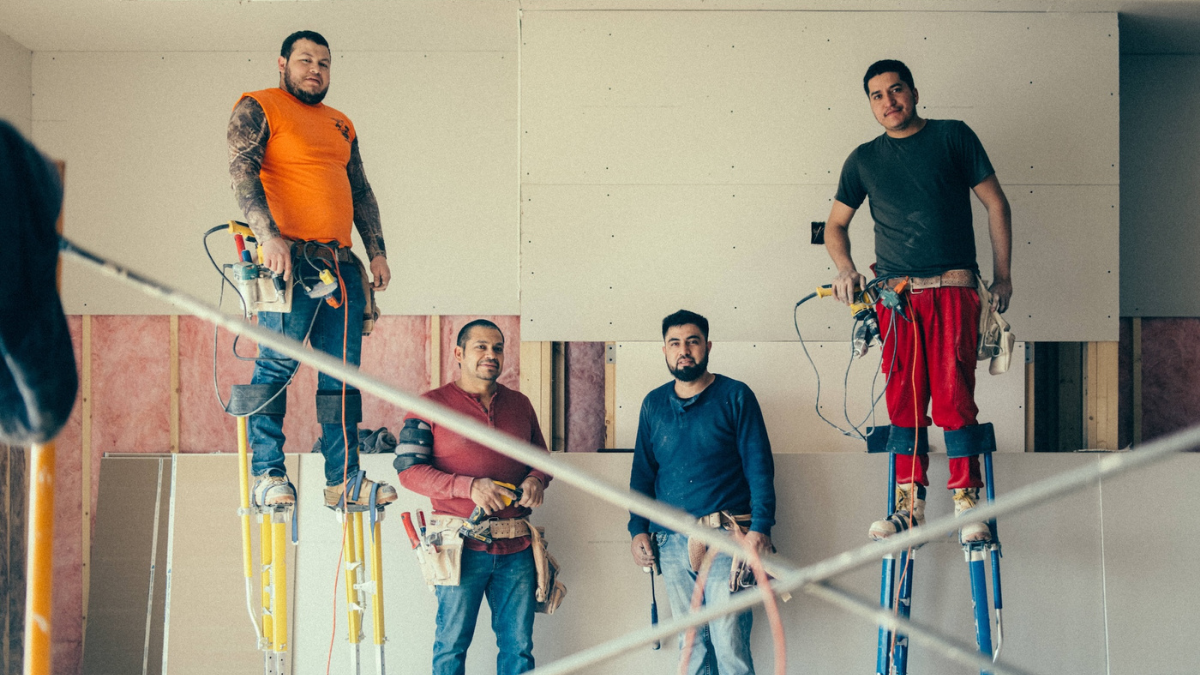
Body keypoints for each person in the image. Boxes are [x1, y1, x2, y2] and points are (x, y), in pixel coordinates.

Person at [823, 59, 1013, 542]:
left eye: (896, 90)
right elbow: (835, 226)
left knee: (954, 401)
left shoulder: (953, 136)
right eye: (877, 95)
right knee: (904, 406)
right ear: (869, 104)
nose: (888, 102)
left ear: (914, 91)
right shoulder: (863, 159)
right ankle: (909, 510)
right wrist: (845, 269)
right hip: (896, 299)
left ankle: (967, 506)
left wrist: (1003, 276)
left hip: (953, 290)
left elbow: (996, 202)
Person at [227, 30, 396, 509]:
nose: (315, 70)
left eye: (323, 62)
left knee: (340, 375)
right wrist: (267, 236)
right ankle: (268, 474)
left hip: (339, 265)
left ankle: (344, 480)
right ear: (282, 63)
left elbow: (360, 191)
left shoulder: (341, 124)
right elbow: (242, 174)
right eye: (304, 60)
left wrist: (378, 250)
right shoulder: (258, 107)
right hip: (288, 262)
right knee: (276, 364)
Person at [397, 319, 552, 675]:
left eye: (497, 348)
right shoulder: (429, 405)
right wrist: (468, 487)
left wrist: (535, 479)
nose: (491, 355)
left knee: (519, 649)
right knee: (451, 646)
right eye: (481, 347)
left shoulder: (520, 404)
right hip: (458, 546)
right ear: (459, 353)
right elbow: (408, 470)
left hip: (516, 547)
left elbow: (541, 460)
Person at [628, 310, 775, 675]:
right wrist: (637, 529)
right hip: (672, 541)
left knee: (730, 646)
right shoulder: (653, 405)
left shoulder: (735, 396)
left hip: (728, 538)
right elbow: (642, 476)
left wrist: (761, 529)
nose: (684, 350)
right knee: (691, 647)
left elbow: (760, 467)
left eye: (692, 341)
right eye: (675, 343)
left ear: (708, 346)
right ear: (663, 350)